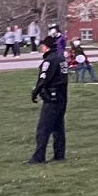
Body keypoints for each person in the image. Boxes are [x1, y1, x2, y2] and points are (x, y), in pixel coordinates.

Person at [27, 35, 68, 163]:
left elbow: (44, 79)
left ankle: (39, 157)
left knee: (43, 128)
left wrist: (35, 92)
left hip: (51, 98)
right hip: (62, 97)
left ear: (46, 47)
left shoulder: (49, 61)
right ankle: (59, 155)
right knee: (58, 127)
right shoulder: (62, 59)